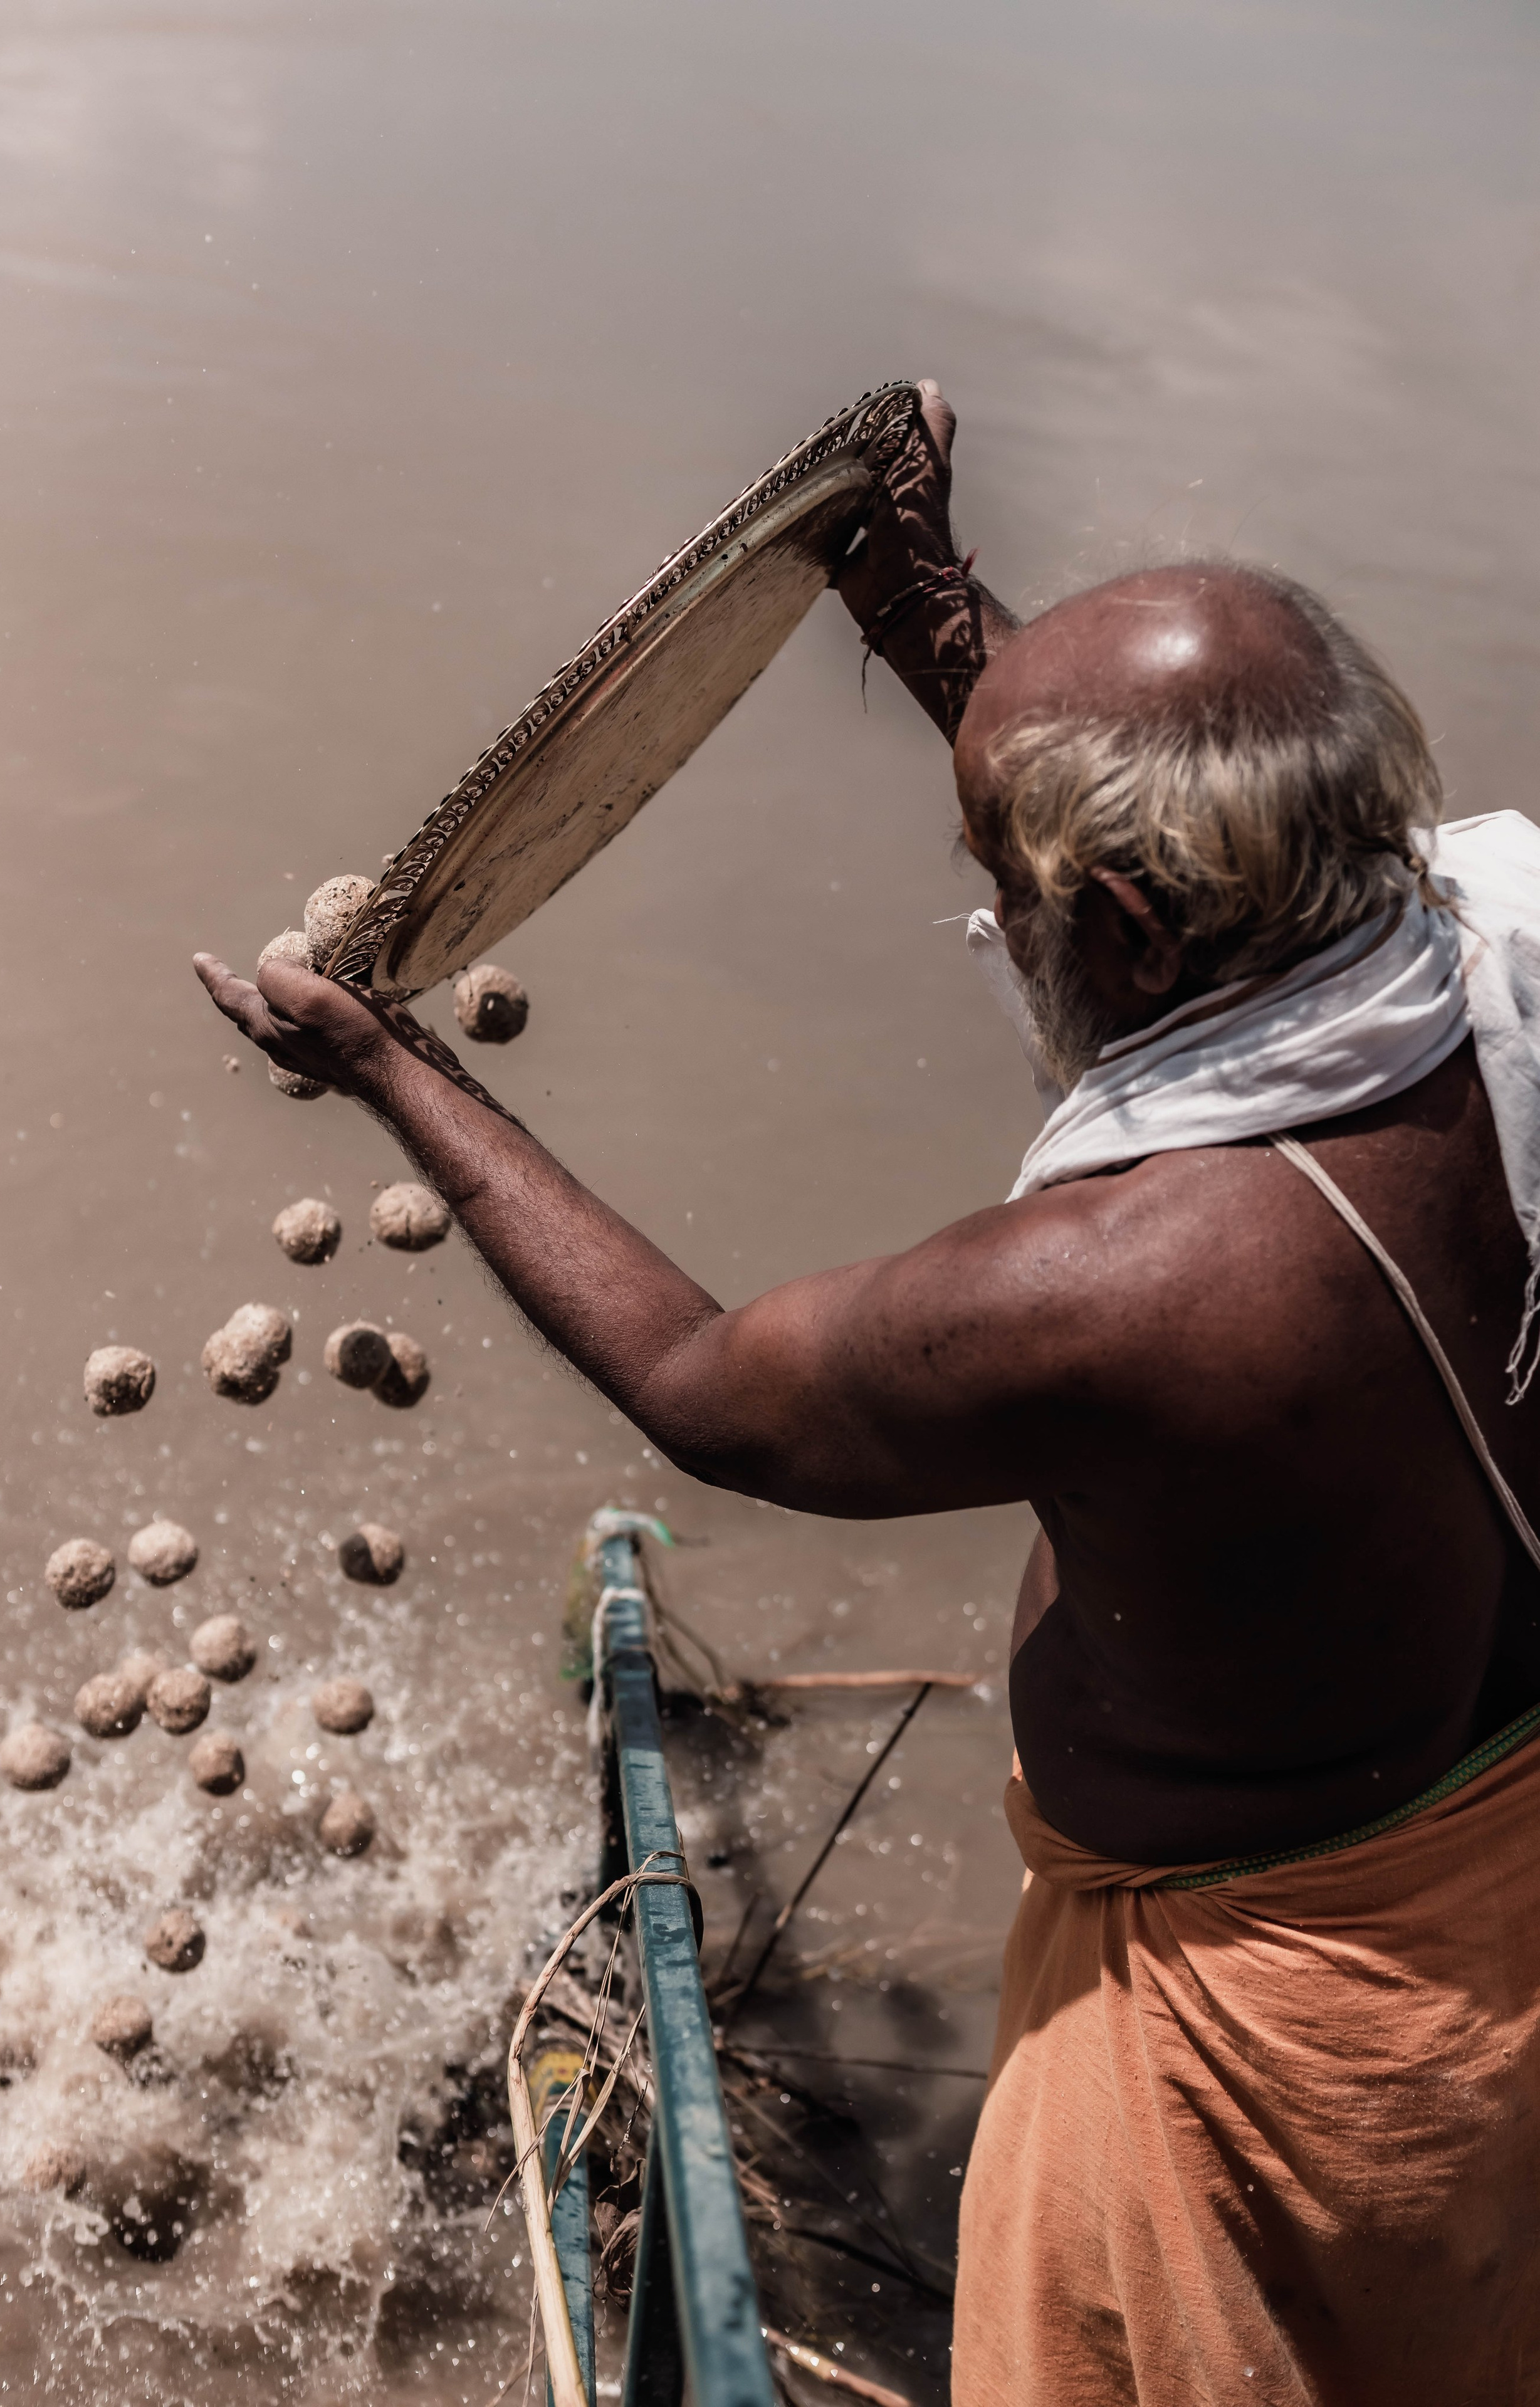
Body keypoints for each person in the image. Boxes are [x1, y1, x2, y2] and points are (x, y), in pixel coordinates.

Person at [198, 384, 1540, 2404]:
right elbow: (1177, 833)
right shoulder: (1486, 932)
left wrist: (398, 1070)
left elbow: (716, 1391)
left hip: (1252, 2027)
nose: (992, 914)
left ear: (1138, 926)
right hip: (1483, 1872)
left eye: (1004, 880)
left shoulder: (1156, 1286)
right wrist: (926, 614)